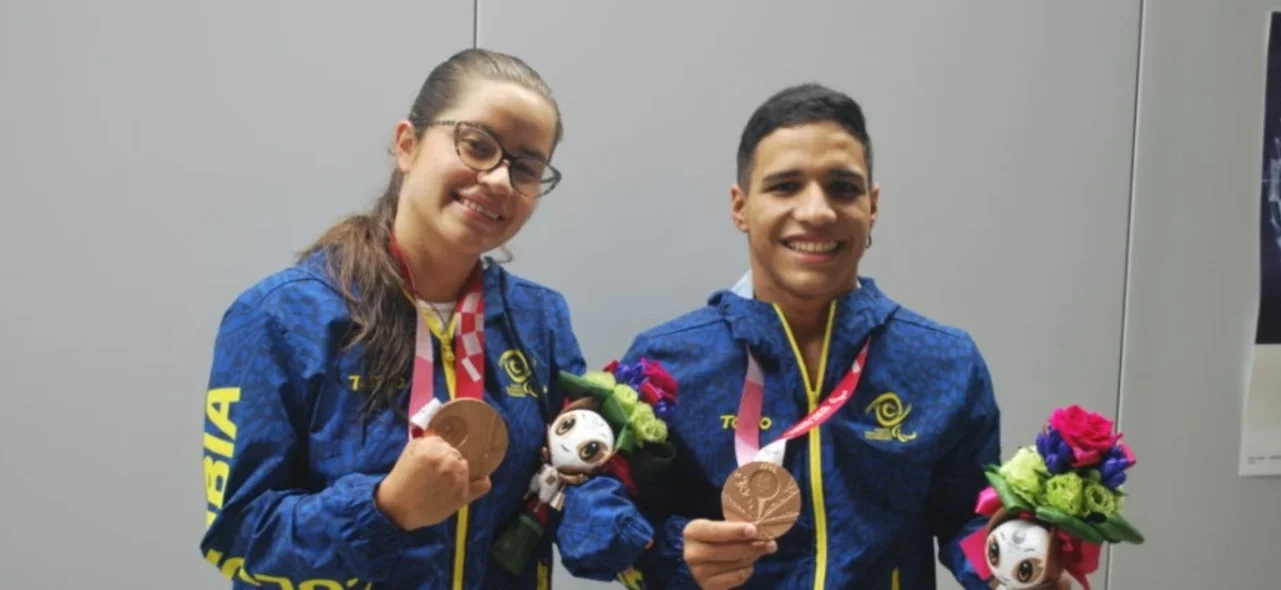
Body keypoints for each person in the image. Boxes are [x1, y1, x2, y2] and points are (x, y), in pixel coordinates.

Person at [199, 48, 653, 590]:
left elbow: (563, 479)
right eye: (477, 145)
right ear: (407, 144)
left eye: (526, 167)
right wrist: (385, 509)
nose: (500, 180)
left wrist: (635, 535)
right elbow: (239, 538)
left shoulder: (539, 320)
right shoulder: (279, 318)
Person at [623, 83, 1000, 589]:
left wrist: (1016, 567)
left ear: (873, 205)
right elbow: (616, 530)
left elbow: (968, 519)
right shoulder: (665, 361)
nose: (817, 211)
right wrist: (673, 552)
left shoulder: (944, 362)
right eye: (785, 186)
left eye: (843, 188)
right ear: (740, 206)